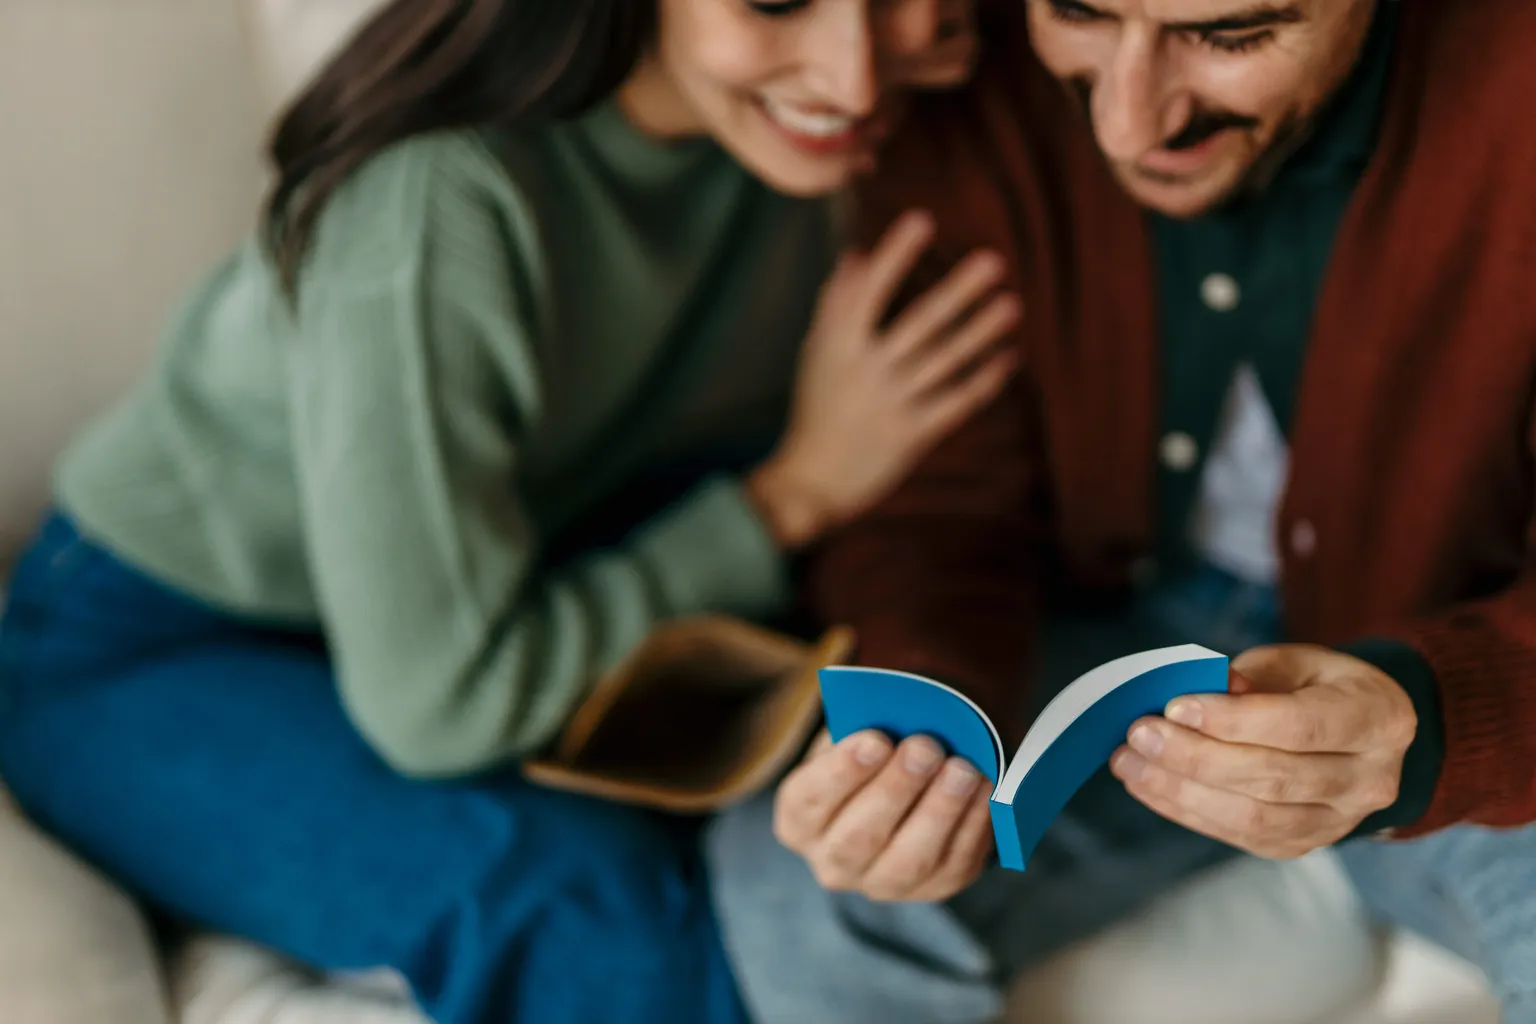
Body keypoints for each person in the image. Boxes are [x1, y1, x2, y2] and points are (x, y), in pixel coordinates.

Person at [0, 2, 1023, 1023]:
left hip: (520, 564)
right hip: (155, 645)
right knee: (585, 907)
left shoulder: (818, 129)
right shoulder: (437, 196)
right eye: (775, 0)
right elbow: (438, 703)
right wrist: (794, 494)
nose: (851, 78)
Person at [707, 0, 1536, 1021]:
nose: (1126, 128)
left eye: (1230, 36)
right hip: (1109, 650)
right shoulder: (966, 67)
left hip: (1460, 654)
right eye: (1081, 14)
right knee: (800, 875)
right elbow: (939, 510)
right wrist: (914, 727)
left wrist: (1447, 716)